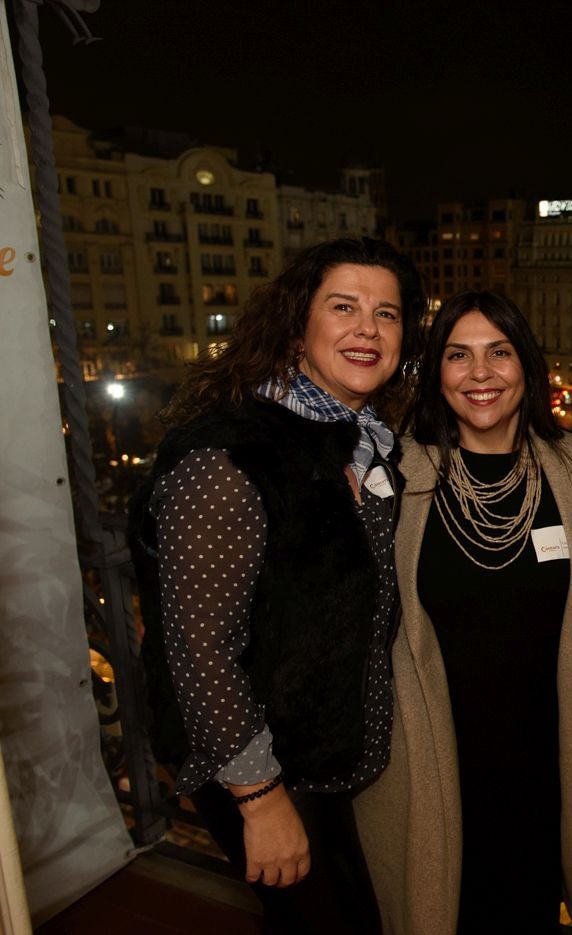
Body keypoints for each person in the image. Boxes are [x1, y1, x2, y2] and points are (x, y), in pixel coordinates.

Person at [130, 237, 425, 933]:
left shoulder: (359, 438)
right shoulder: (232, 452)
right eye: (344, 307)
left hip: (317, 760)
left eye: (387, 314)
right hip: (256, 765)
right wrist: (260, 801)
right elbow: (198, 648)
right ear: (298, 325)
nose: (368, 329)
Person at [352, 291, 572, 935]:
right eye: (458, 355)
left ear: (528, 365)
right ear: (436, 371)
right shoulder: (395, 472)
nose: (481, 373)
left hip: (546, 759)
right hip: (434, 757)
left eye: (500, 352)